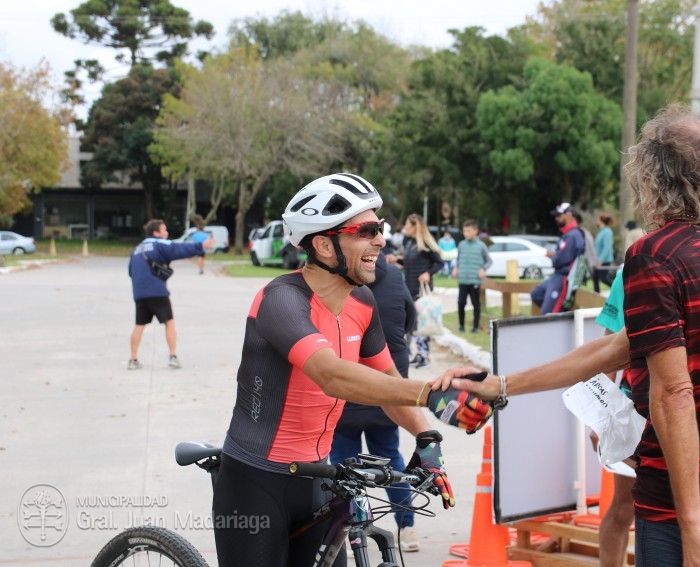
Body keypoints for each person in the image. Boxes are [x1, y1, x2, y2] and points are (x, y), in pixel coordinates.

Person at [437, 105, 700, 567]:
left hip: (688, 515)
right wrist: (502, 385)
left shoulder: (654, 255)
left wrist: (691, 524)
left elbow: (673, 393)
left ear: (649, 177)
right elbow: (619, 346)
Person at [212, 173, 492, 567]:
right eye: (367, 230)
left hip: (318, 478)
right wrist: (430, 393)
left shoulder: (362, 301)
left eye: (381, 228)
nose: (381, 239)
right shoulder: (280, 300)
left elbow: (389, 383)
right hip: (256, 481)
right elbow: (332, 375)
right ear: (324, 244)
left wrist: (425, 435)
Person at [330, 252, 420, 552]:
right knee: (390, 458)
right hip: (387, 386)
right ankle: (407, 528)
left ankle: (357, 533)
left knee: (345, 468)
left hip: (347, 385)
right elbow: (411, 318)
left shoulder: (332, 282)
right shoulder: (395, 276)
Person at [592, 265, 636, 567]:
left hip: (696, 408)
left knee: (688, 511)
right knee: (624, 507)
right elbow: (608, 350)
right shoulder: (632, 270)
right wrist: (601, 415)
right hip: (636, 404)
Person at [127, 219, 215, 370]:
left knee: (139, 325)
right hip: (158, 292)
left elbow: (130, 271)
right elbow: (177, 248)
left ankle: (133, 359)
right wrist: (200, 246)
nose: (166, 233)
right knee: (169, 323)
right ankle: (173, 356)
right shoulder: (159, 243)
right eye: (164, 230)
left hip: (139, 294)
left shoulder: (137, 248)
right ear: (156, 233)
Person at [388, 213, 444, 369]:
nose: (405, 227)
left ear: (415, 227)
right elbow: (408, 262)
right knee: (413, 322)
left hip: (421, 289)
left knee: (422, 322)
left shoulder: (424, 243)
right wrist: (396, 260)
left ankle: (424, 355)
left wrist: (428, 273)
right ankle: (417, 353)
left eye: (408, 224)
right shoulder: (409, 242)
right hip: (410, 287)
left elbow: (440, 263)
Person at [530, 202, 584, 314]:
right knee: (536, 293)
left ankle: (559, 319)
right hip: (556, 276)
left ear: (569, 214)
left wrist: (554, 257)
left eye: (559, 215)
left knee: (548, 315)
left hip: (563, 278)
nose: (556, 218)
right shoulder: (568, 234)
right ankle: (561, 316)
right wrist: (556, 256)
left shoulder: (573, 235)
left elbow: (560, 260)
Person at [452, 219, 492, 333]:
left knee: (476, 304)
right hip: (463, 279)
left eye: (468, 231)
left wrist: (483, 269)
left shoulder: (481, 245)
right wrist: (456, 268)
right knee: (461, 303)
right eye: (464, 231)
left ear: (475, 231)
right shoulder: (461, 245)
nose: (466, 234)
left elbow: (489, 261)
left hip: (475, 280)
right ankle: (461, 326)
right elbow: (458, 260)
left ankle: (475, 327)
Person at [594, 214, 615, 293]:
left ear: (601, 221)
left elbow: (607, 248)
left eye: (597, 219)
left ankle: (620, 289)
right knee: (595, 277)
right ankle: (596, 294)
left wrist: (600, 260)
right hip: (597, 259)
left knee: (604, 279)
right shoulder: (601, 231)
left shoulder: (607, 232)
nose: (596, 220)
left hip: (604, 260)